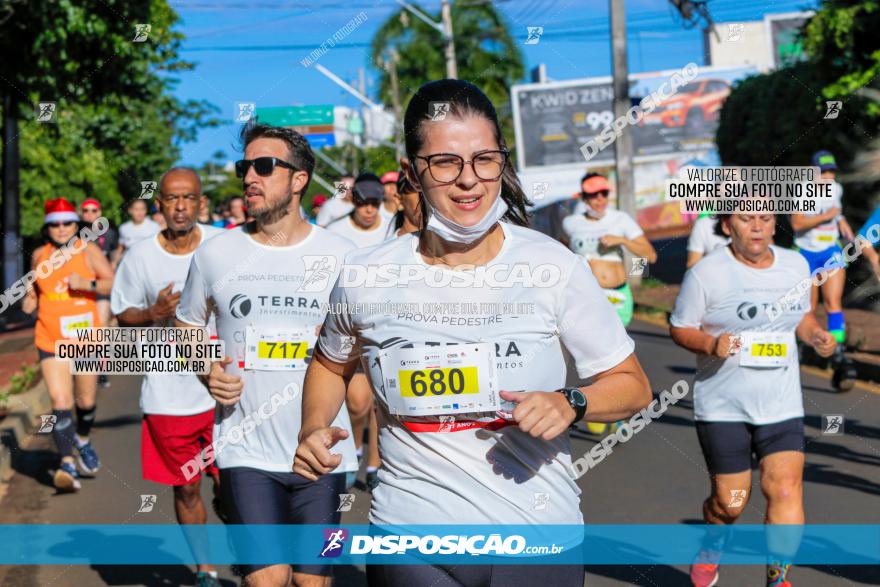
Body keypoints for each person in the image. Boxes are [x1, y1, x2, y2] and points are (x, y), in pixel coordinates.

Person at [294, 79, 653, 587]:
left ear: (501, 165)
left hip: (536, 534)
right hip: (414, 534)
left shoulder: (552, 266)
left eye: (485, 159)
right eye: (445, 161)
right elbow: (331, 363)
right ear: (414, 171)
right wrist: (312, 425)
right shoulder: (364, 275)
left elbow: (633, 385)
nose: (469, 180)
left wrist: (570, 401)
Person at [175, 122, 358, 587]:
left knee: (313, 581)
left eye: (263, 166)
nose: (249, 178)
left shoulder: (344, 255)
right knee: (267, 580)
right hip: (244, 449)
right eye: (244, 167)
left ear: (299, 179)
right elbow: (187, 326)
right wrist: (206, 371)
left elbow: (373, 341)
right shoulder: (216, 253)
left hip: (324, 452)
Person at [669, 213, 837, 587]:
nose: (757, 225)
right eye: (746, 218)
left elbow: (802, 317)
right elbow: (680, 327)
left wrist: (816, 336)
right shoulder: (707, 273)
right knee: (731, 504)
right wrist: (711, 343)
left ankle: (778, 580)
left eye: (765, 218)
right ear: (728, 226)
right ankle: (711, 548)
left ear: (775, 225)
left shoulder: (795, 265)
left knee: (785, 488)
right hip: (723, 405)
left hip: (781, 402)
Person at [111, 168, 223, 587]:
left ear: (200, 202)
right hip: (168, 396)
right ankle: (206, 571)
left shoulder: (222, 244)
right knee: (187, 489)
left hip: (225, 389)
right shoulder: (140, 256)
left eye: (188, 198)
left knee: (236, 486)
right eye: (172, 199)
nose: (180, 207)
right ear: (159, 204)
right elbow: (124, 315)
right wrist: (153, 314)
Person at [21, 198, 115, 492]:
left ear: (76, 225)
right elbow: (32, 297)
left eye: (67, 223)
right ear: (47, 228)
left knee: (85, 402)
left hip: (84, 341)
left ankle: (82, 439)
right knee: (61, 402)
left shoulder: (88, 250)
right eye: (55, 224)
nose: (61, 229)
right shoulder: (39, 255)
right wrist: (28, 298)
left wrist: (85, 284)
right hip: (49, 337)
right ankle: (66, 464)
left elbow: (111, 283)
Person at [790, 150, 857, 391]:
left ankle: (837, 354)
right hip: (806, 253)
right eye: (823, 171)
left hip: (830, 252)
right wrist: (825, 216)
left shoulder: (836, 189)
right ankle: (799, 350)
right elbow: (796, 223)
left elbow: (838, 215)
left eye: (831, 171)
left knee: (833, 303)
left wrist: (848, 232)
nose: (828, 176)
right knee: (807, 308)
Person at [560, 172, 657, 329]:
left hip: (618, 294)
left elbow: (650, 256)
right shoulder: (570, 223)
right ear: (584, 197)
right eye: (593, 194)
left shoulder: (621, 219)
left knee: (620, 347)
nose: (600, 198)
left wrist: (622, 240)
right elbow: (562, 249)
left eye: (604, 193)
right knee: (591, 345)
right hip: (588, 295)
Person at [80, 198, 119, 389]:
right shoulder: (74, 234)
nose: (90, 214)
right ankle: (85, 368)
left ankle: (102, 369)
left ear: (100, 212)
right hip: (79, 288)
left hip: (100, 286)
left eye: (94, 210)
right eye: (86, 211)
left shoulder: (109, 233)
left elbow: (113, 259)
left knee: (101, 326)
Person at [325, 172, 389, 248]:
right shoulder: (334, 230)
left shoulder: (392, 229)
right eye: (362, 203)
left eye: (375, 203)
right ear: (353, 200)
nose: (369, 210)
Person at [385, 169, 422, 240]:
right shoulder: (387, 250)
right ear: (398, 200)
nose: (425, 194)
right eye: (417, 186)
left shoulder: (448, 245)